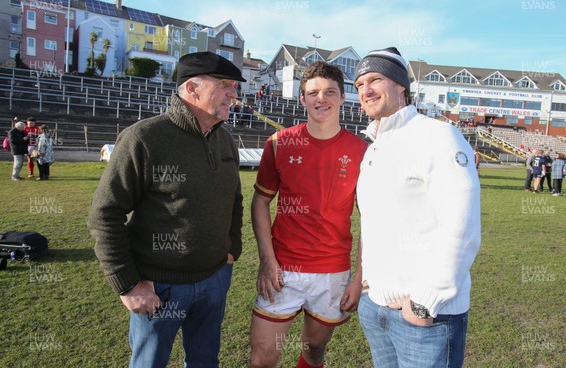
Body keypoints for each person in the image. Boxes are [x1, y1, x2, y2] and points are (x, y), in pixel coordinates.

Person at [88, 52, 245, 368]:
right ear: (192, 89)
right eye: (225, 84)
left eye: (234, 86)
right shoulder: (144, 138)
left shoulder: (225, 140)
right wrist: (128, 284)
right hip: (159, 287)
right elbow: (105, 213)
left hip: (215, 279)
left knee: (205, 362)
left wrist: (232, 249)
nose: (234, 93)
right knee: (149, 363)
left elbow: (235, 199)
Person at [353, 47, 481, 368]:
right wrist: (368, 282)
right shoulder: (373, 148)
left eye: (375, 79)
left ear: (401, 87)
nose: (365, 90)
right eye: (358, 85)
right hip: (377, 306)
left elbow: (462, 225)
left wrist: (427, 300)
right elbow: (374, 224)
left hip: (425, 315)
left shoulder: (437, 135)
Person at [249, 62, 367, 368]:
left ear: (343, 97)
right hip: (281, 271)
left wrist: (359, 277)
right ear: (302, 99)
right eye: (313, 92)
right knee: (262, 358)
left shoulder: (363, 152)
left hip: (332, 272)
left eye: (330, 92)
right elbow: (260, 202)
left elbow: (370, 220)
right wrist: (267, 259)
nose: (321, 98)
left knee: (314, 349)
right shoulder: (279, 143)